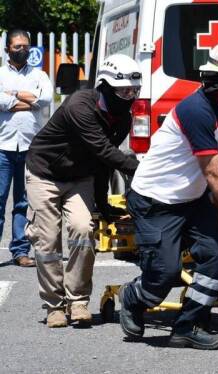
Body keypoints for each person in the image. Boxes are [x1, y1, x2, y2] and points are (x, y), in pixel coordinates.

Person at [118, 40, 218, 350]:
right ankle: (133, 298)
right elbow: (211, 172)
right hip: (157, 201)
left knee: (215, 260)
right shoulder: (196, 110)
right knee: (164, 273)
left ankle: (188, 325)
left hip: (192, 201)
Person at [25, 54, 141, 328]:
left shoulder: (122, 117)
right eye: (124, 90)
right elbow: (103, 150)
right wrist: (141, 169)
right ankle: (54, 305)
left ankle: (77, 301)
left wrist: (103, 205)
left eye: (134, 90)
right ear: (106, 86)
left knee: (82, 230)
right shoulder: (80, 105)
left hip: (80, 177)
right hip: (45, 174)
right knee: (48, 241)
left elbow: (104, 164)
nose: (130, 96)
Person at [0, 29, 52, 267]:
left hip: (32, 148)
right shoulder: (0, 74)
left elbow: (46, 98)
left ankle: (20, 251)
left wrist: (12, 97)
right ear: (7, 49)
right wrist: (28, 101)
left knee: (23, 202)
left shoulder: (39, 75)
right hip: (3, 147)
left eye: (25, 46)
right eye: (17, 46)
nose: (22, 50)